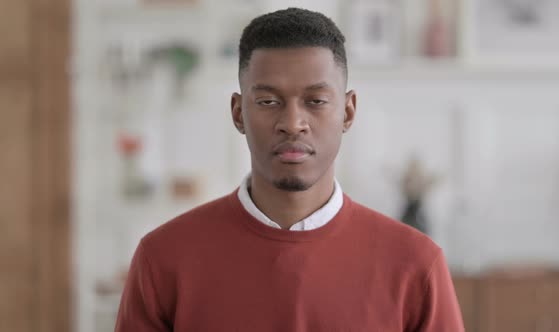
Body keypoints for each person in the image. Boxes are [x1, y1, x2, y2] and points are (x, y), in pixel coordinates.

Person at [115, 7, 464, 332]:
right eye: (268, 101)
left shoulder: (416, 266)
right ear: (238, 113)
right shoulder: (163, 259)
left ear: (348, 111)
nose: (293, 123)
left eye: (316, 101)